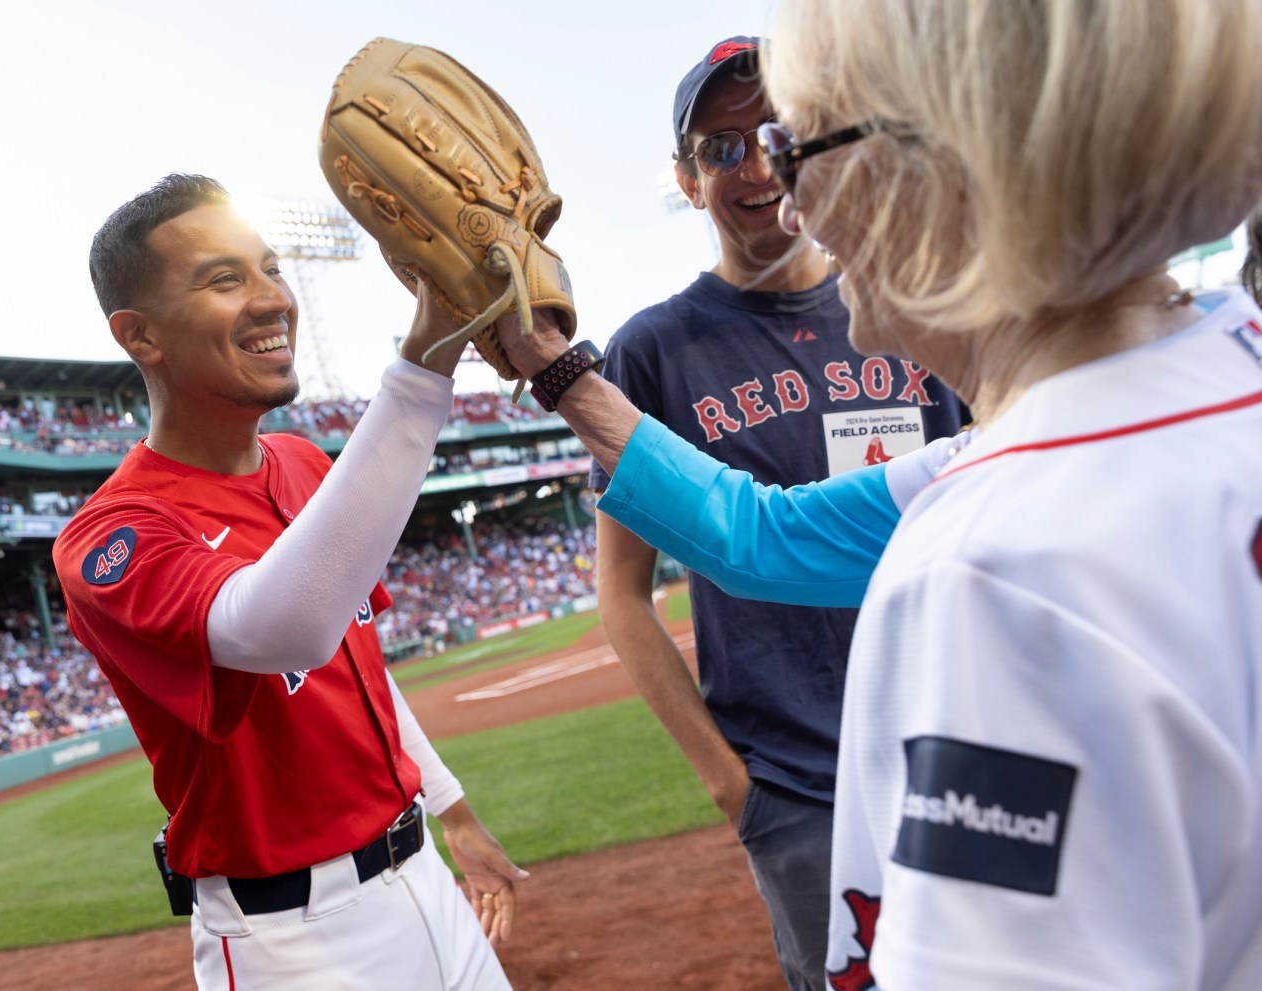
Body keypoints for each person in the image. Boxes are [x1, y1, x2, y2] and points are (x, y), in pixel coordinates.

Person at [500, 1, 1262, 985]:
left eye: (795, 143)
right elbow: (757, 537)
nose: (792, 200)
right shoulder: (1202, 382)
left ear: (941, 155)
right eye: (739, 147)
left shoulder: (996, 565)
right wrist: (553, 368)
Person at [53, 174, 526, 991]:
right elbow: (287, 626)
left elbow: (357, 668)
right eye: (224, 278)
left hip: (424, 882)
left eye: (270, 268)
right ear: (141, 335)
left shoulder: (306, 462)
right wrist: (427, 360)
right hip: (294, 941)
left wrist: (454, 811)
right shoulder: (112, 536)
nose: (273, 297)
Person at [589, 35, 961, 991]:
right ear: (685, 175)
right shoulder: (652, 352)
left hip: (954, 739)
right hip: (795, 788)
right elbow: (622, 595)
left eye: (774, 132)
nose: (754, 164)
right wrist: (731, 784)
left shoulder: (908, 301)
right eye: (720, 147)